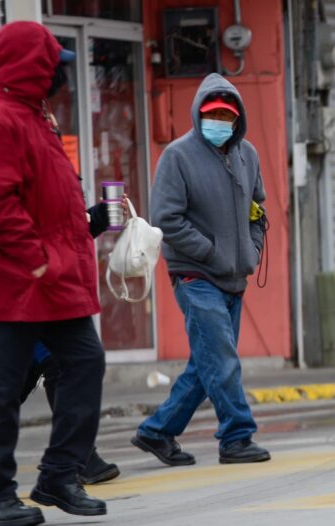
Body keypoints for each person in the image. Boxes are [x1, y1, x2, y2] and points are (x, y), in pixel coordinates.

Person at [0, 21, 108, 525]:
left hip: (53, 280)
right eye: (53, 63)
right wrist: (35, 257)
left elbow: (53, 201)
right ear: (31, 65)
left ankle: (58, 476)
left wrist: (80, 237)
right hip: (14, 279)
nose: (58, 73)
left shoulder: (34, 117)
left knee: (85, 362)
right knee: (4, 388)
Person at [131, 73, 271, 466]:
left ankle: (157, 431)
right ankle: (237, 437)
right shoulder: (177, 156)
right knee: (222, 360)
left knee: (206, 363)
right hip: (196, 276)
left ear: (237, 118)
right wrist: (210, 252)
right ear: (198, 114)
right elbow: (167, 219)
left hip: (234, 277)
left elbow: (257, 210)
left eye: (226, 115)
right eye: (212, 114)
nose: (219, 122)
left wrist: (252, 250)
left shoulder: (248, 155)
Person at [0, 201, 121, 487]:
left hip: (53, 289)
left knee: (24, 378)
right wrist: (21, 247)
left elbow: (66, 233)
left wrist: (98, 217)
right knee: (58, 366)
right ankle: (76, 460)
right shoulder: (5, 181)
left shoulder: (58, 177)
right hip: (18, 293)